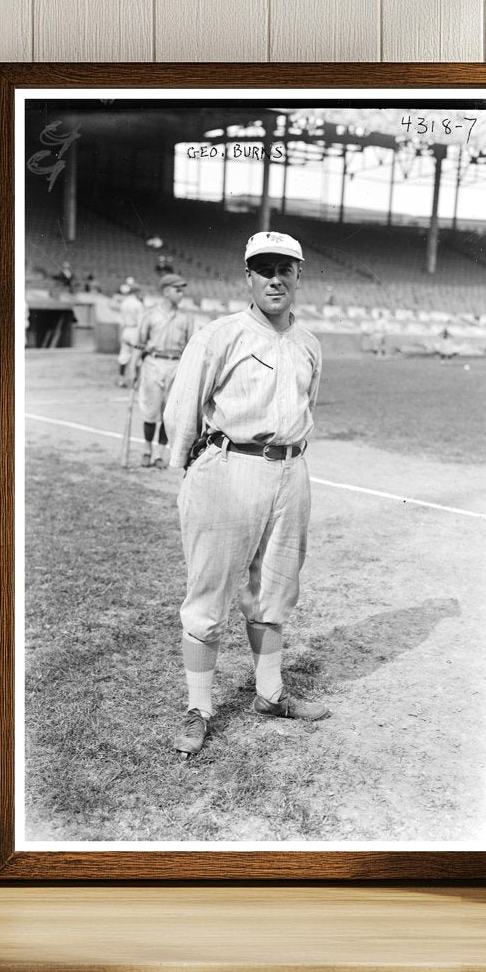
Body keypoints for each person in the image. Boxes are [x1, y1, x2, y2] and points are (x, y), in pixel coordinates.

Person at [163, 231, 328, 758]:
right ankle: (199, 708)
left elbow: (307, 408)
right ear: (248, 277)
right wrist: (187, 471)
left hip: (290, 471)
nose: (275, 278)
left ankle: (270, 693)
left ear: (300, 275)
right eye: (264, 269)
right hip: (228, 466)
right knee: (209, 593)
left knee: (275, 590)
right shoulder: (220, 335)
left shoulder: (308, 344)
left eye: (285, 268)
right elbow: (183, 405)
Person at [134, 273, 194, 467]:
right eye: (177, 290)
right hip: (153, 363)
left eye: (182, 289)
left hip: (176, 365)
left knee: (169, 413)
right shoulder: (150, 314)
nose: (181, 293)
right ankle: (146, 451)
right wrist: (132, 368)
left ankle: (159, 454)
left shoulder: (186, 317)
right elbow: (140, 344)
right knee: (151, 411)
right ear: (166, 292)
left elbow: (190, 347)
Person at [116, 282, 145, 388]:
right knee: (137, 356)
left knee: (124, 355)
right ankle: (135, 382)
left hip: (126, 330)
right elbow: (141, 323)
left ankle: (121, 379)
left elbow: (121, 321)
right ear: (136, 292)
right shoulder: (138, 303)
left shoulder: (124, 303)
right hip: (135, 330)